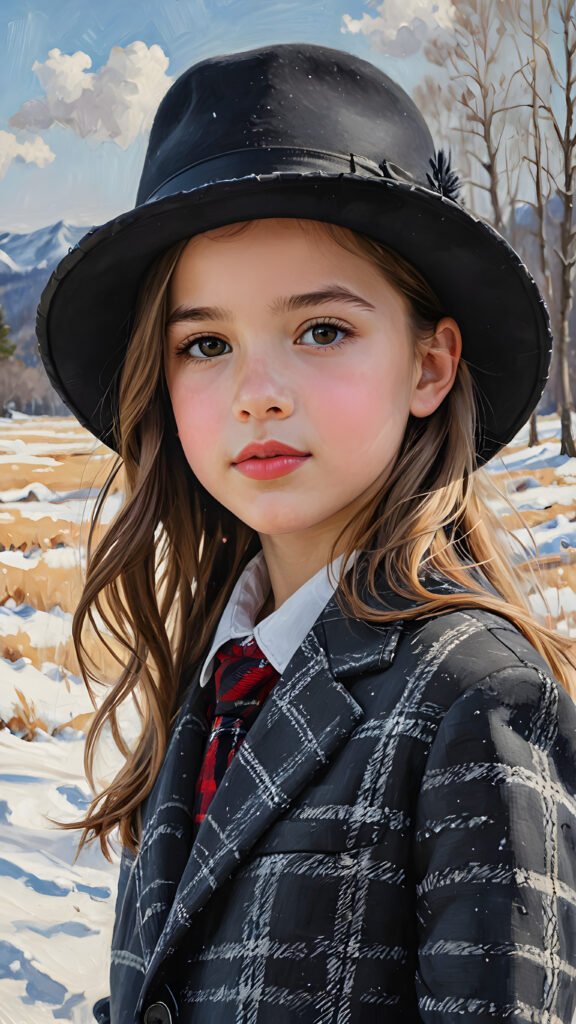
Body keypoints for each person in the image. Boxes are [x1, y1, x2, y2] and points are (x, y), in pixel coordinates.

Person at [37, 41, 576, 1024]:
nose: (257, 394)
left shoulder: (480, 705)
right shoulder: (210, 680)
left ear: (429, 365)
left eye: (321, 330)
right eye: (206, 343)